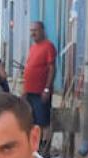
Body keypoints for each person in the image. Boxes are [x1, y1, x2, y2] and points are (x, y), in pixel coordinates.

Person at [22, 20, 56, 149]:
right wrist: (24, 89)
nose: (33, 33)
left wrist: (47, 89)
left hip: (40, 92)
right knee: (33, 121)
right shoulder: (33, 48)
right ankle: (35, 147)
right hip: (29, 92)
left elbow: (52, 68)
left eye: (35, 30)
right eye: (31, 31)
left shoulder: (48, 46)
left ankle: (44, 148)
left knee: (43, 121)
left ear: (42, 31)